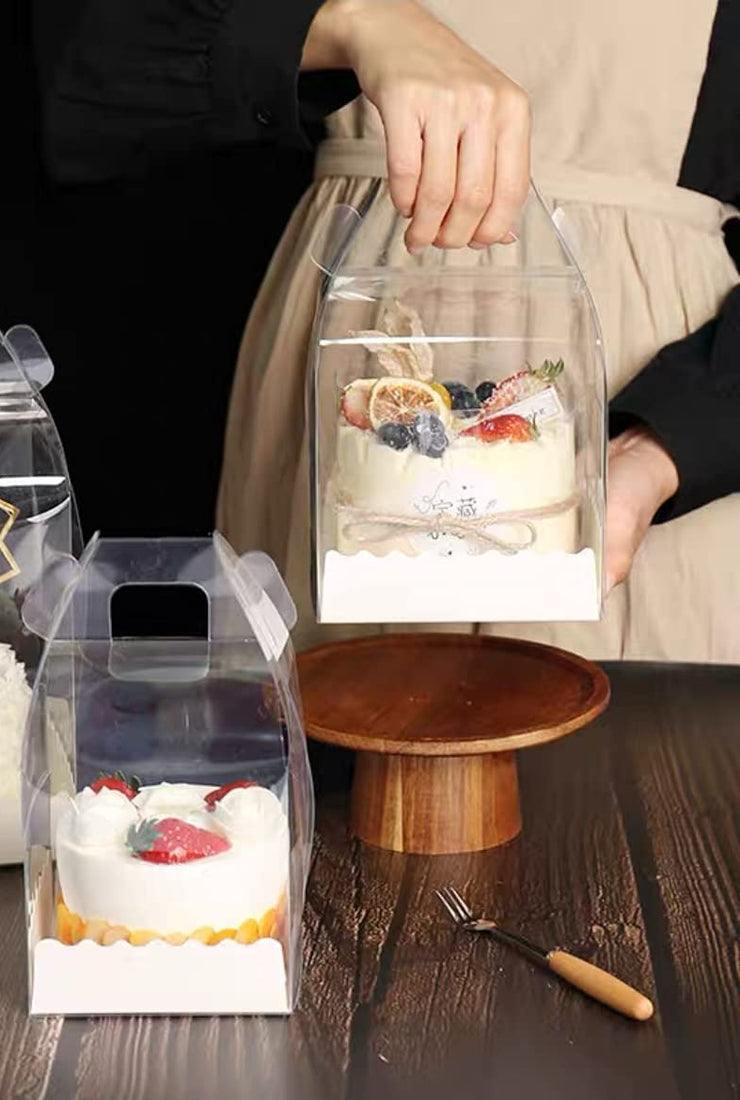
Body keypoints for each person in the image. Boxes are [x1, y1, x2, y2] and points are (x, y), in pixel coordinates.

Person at [38, 0, 740, 661]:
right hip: (343, 370)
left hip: (642, 416)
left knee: (611, 767)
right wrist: (349, 17)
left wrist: (661, 448)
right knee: (334, 761)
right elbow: (94, 49)